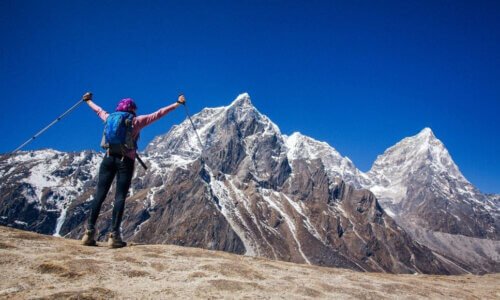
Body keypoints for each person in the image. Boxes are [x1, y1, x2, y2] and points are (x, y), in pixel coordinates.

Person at [80, 92, 186, 248]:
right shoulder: (136, 121)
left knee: (99, 195)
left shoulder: (109, 117)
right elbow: (158, 114)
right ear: (132, 110)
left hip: (108, 158)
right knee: (120, 197)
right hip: (125, 161)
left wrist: (88, 101)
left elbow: (98, 110)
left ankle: (88, 233)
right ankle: (114, 236)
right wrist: (177, 103)